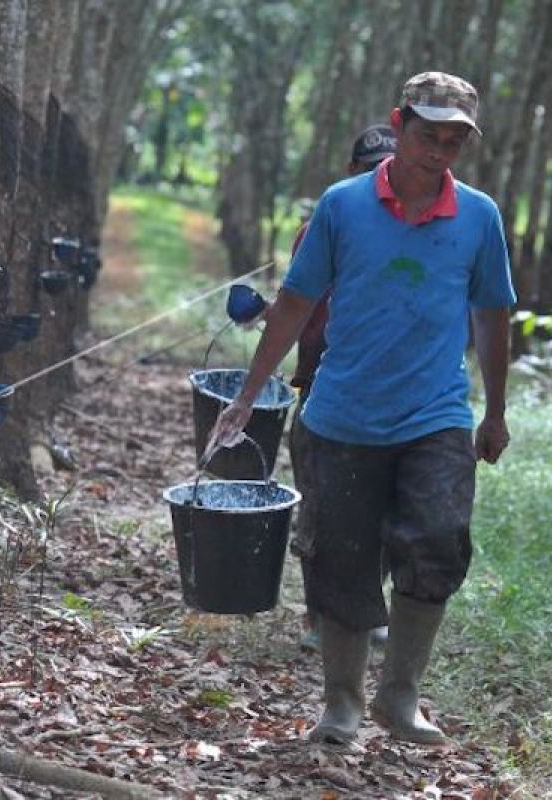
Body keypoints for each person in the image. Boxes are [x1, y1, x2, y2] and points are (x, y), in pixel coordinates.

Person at [207, 72, 514, 747]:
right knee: (342, 561)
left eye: (455, 140)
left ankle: (399, 698)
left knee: (437, 538)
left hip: (435, 415)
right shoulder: (341, 207)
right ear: (398, 123)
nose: (439, 150)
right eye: (429, 134)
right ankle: (342, 703)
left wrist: (495, 410)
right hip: (342, 415)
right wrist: (253, 389)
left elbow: (493, 314)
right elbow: (294, 302)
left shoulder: (480, 217)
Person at [290, 123, 398, 654]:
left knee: (379, 503)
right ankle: (318, 614)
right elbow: (301, 303)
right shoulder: (324, 224)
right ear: (352, 172)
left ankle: (366, 606)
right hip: (320, 384)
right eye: (369, 165)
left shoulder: (416, 232)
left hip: (388, 392)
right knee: (320, 502)